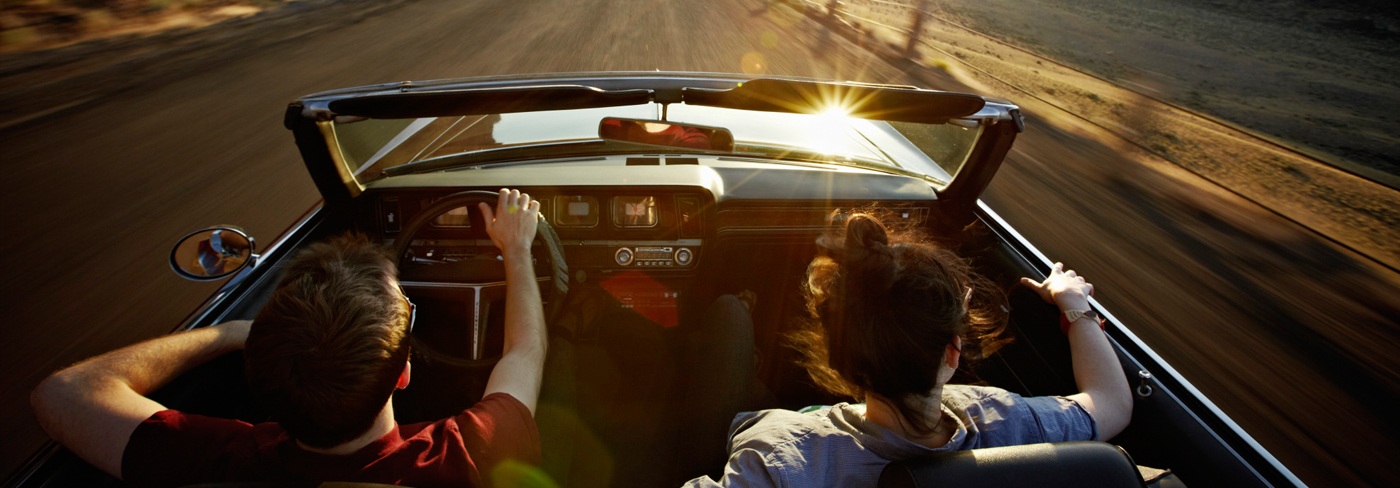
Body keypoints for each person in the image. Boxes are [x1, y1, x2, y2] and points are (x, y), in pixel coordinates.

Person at [31, 188, 548, 487]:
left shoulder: (218, 458)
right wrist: (516, 249)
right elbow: (525, 351)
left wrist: (230, 333)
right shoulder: (472, 452)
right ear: (406, 371)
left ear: (260, 371)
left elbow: (60, 393)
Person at [683, 213, 1133, 487]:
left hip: (771, 426)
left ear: (840, 362)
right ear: (952, 354)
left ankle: (740, 309)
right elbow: (1111, 403)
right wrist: (1076, 306)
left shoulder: (779, 460)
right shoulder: (1008, 423)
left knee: (728, 321)